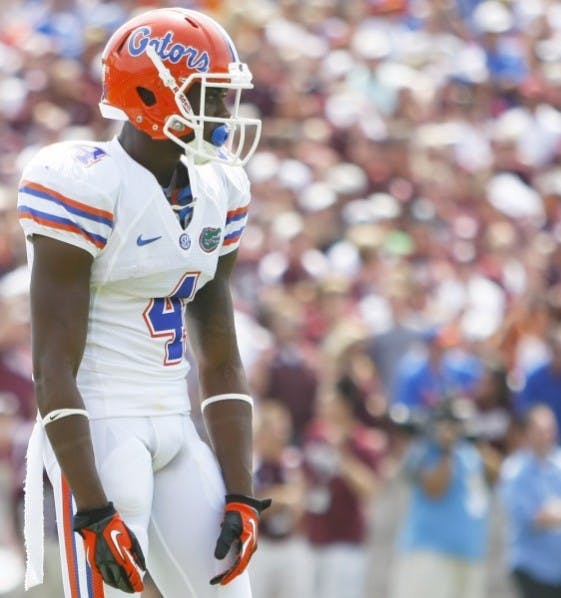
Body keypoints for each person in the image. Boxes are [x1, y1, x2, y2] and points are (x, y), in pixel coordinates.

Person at [17, 8, 270, 598]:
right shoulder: (83, 183)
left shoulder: (220, 188)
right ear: (151, 93)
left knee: (226, 588)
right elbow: (52, 364)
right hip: (101, 425)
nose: (225, 115)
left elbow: (220, 353)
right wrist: (91, 506)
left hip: (175, 422)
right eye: (209, 95)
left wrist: (241, 487)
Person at [390, 400, 490, 598]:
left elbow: (497, 473)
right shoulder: (425, 449)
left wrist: (475, 440)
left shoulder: (470, 452)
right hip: (430, 554)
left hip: (469, 553)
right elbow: (434, 488)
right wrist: (446, 449)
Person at [499, 405, 561, 597]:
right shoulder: (515, 470)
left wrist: (552, 513)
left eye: (549, 430)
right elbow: (532, 518)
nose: (545, 436)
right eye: (539, 431)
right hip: (530, 569)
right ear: (527, 433)